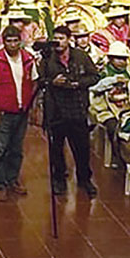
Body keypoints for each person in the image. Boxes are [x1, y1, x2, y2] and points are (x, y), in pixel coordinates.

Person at [39, 25, 99, 197]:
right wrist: (52, 82)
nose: (58, 41)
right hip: (56, 110)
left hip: (77, 108)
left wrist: (78, 83)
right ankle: (59, 179)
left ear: (69, 39)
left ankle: (84, 179)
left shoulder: (81, 56)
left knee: (82, 148)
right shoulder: (47, 58)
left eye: (62, 38)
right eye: (55, 38)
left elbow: (94, 76)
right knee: (56, 148)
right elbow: (40, 81)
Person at [0, 26, 39, 200]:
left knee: (17, 148)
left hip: (22, 111)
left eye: (16, 40)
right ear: (4, 42)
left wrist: (33, 107)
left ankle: (13, 179)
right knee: (1, 149)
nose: (13, 44)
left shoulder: (28, 59)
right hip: (3, 112)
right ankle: (0, 184)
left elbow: (35, 82)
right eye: (9, 41)